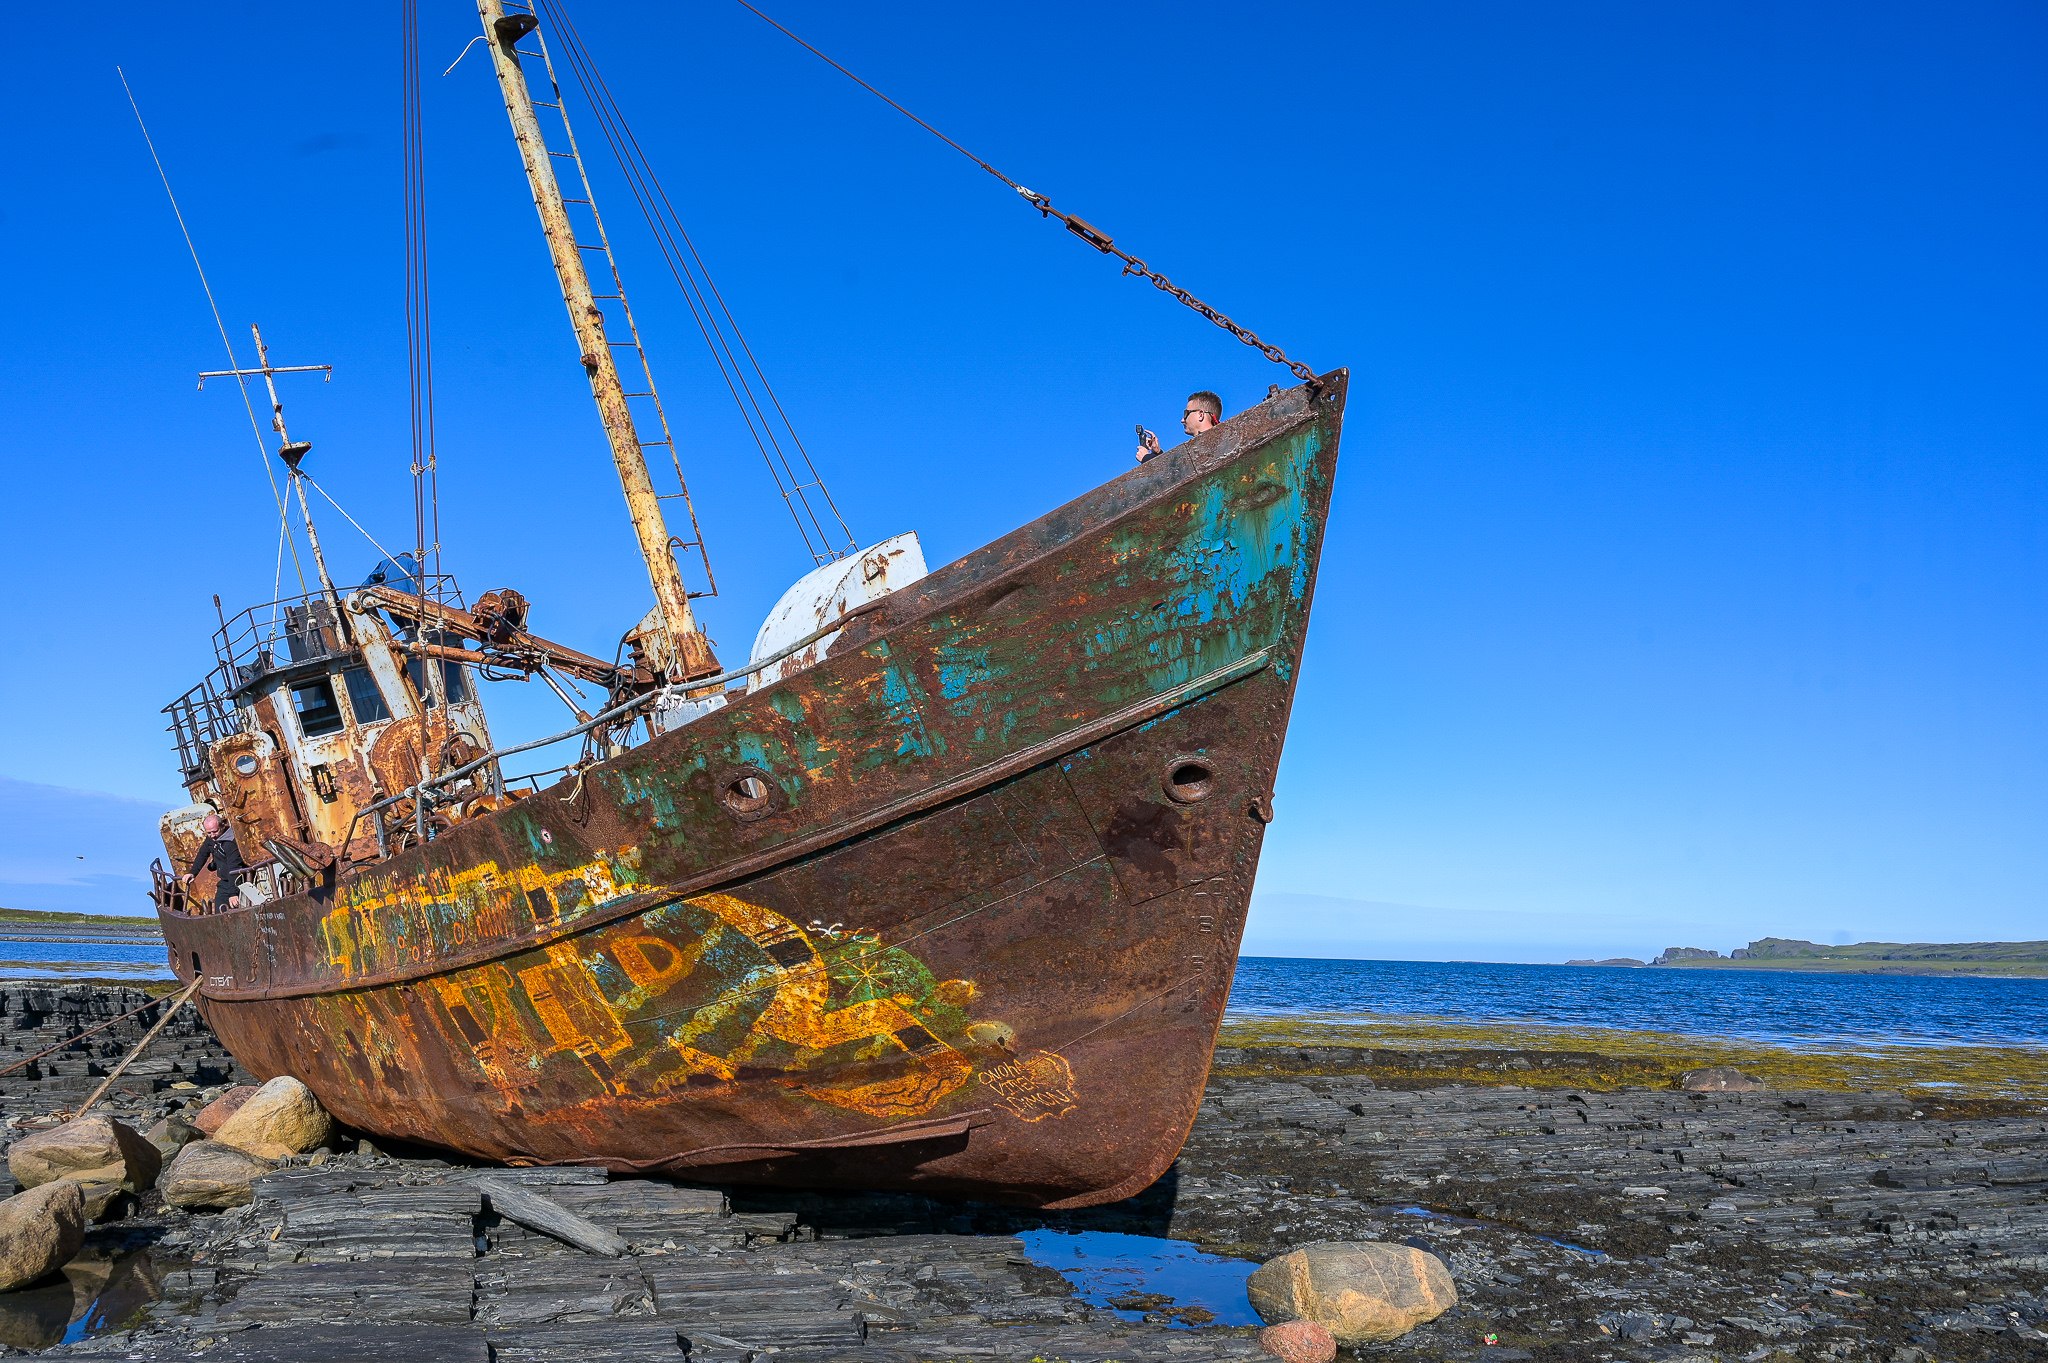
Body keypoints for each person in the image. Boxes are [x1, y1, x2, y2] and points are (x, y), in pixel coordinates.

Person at [1135, 391, 1224, 463]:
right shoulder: (1221, 441)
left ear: (1201, 415)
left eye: (1186, 414)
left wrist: (1146, 458)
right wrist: (1158, 453)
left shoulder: (1206, 447)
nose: (1182, 420)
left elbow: (1173, 475)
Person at [184, 812, 246, 913]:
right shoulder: (212, 839)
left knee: (237, 910)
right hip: (224, 883)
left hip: (238, 881)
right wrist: (192, 872)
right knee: (219, 910)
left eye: (215, 831)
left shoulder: (231, 842)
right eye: (209, 833)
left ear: (222, 826)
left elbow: (234, 867)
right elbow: (202, 854)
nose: (212, 836)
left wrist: (233, 893)